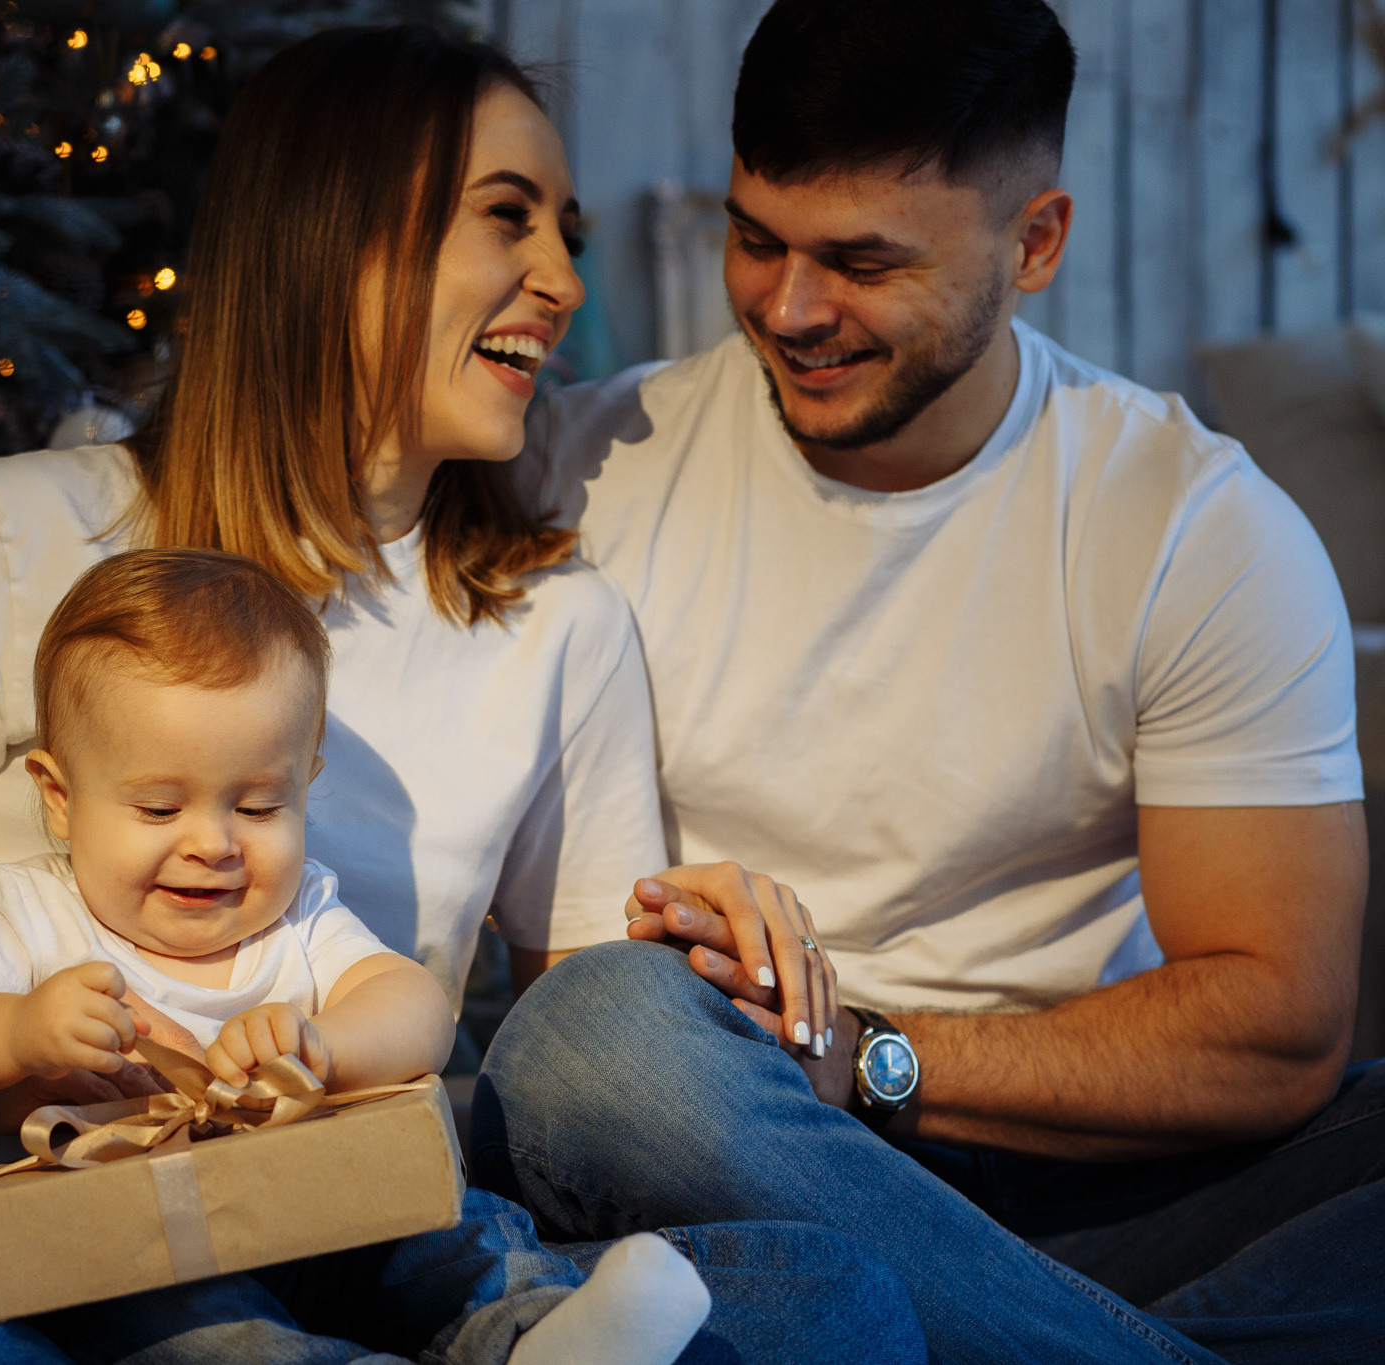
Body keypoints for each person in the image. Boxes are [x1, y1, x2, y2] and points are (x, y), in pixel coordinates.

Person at [0, 25, 920, 1365]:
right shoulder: (17, 528)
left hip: (329, 1216)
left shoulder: (559, 627)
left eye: (568, 234)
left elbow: (572, 1079)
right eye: (507, 220)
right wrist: (25, 1064)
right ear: (335, 236)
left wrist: (687, 967)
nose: (562, 281)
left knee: (831, 1303)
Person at [473, 1, 1385, 1362]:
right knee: (591, 1038)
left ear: (1036, 243)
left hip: (1081, 1171)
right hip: (717, 1158)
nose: (788, 308)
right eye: (756, 237)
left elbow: (1274, 1028)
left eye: (861, 261)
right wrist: (773, 1075)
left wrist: (855, 1057)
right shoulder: (585, 468)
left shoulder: (1195, 529)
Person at [0, 546, 716, 1365]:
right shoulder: (24, 913)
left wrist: (325, 1044)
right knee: (185, 1331)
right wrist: (14, 1032)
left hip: (316, 1212)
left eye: (261, 806)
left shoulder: (297, 913)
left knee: (454, 1230)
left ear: (304, 782)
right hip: (114, 1245)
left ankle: (542, 1333)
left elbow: (413, 1005)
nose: (213, 843)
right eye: (159, 808)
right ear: (59, 796)